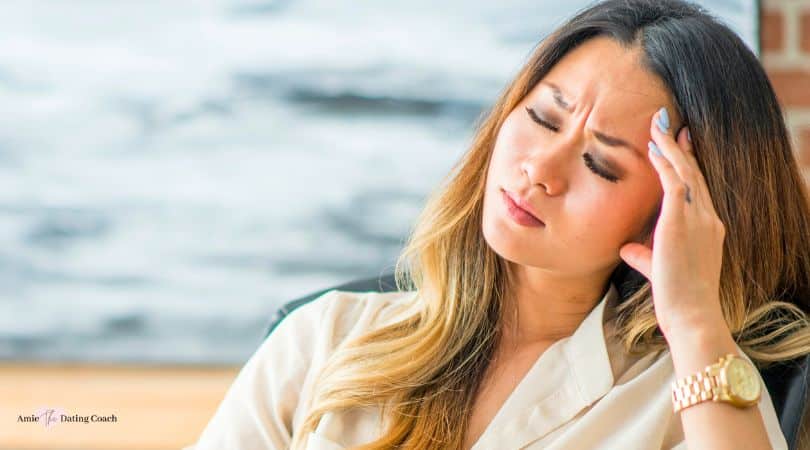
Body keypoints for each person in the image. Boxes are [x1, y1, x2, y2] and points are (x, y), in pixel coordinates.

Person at [185, 0, 810, 448]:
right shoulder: (324, 338)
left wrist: (696, 318)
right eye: (542, 118)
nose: (540, 168)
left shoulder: (688, 404)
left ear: (674, 212)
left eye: (600, 162)